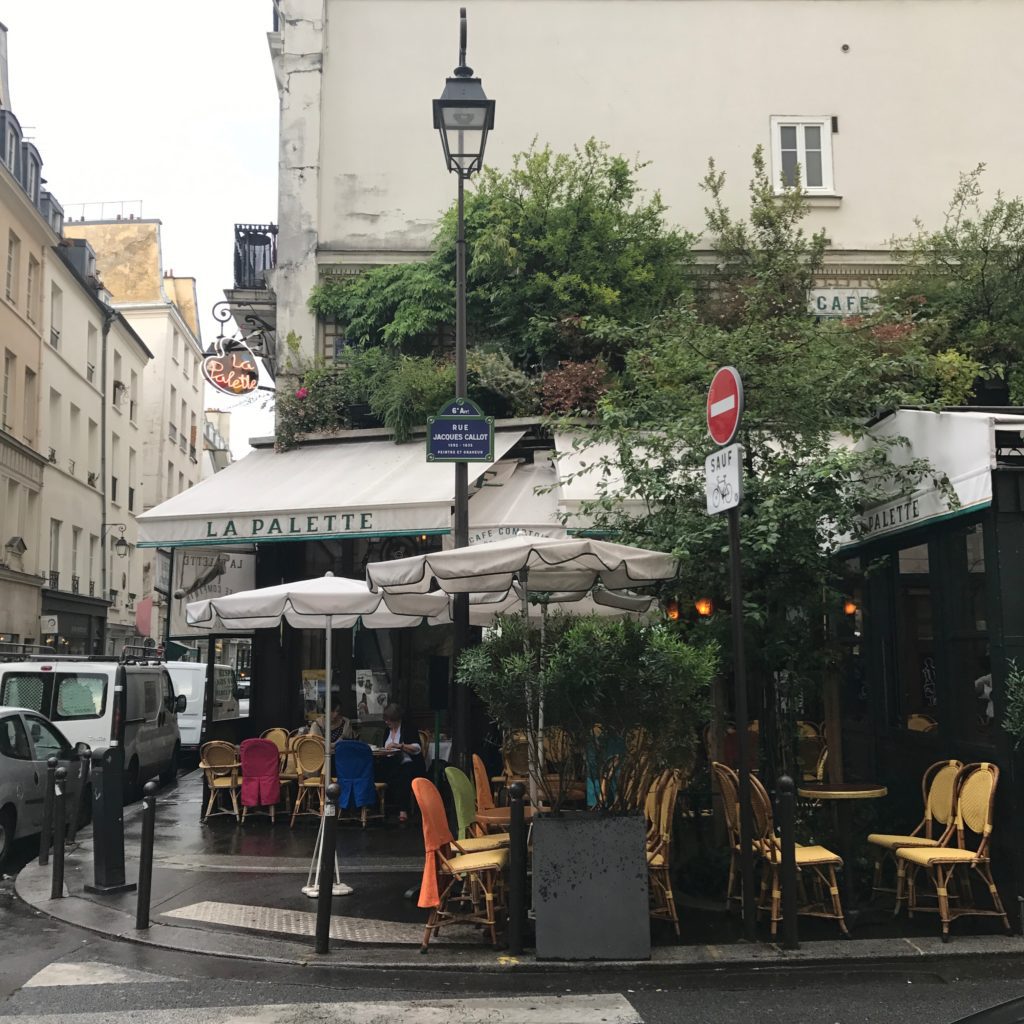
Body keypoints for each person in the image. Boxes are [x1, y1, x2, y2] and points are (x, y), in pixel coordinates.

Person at [376, 702, 425, 823]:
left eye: (389, 720)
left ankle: (403, 809)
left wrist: (400, 746)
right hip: (390, 761)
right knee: (374, 769)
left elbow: (417, 748)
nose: (387, 722)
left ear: (396, 719)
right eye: (386, 720)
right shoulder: (387, 730)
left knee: (403, 774)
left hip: (408, 762)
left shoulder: (409, 728)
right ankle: (377, 807)